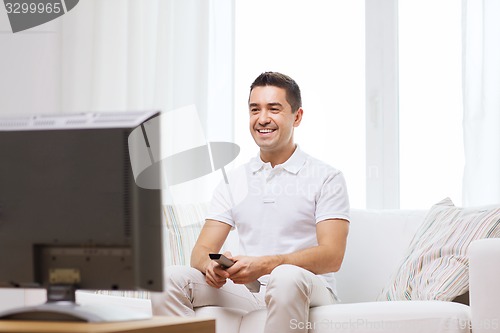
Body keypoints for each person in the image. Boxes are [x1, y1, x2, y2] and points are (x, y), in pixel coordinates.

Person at [152, 72, 350, 333]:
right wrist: (210, 265)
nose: (262, 118)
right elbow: (200, 251)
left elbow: (332, 256)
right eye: (254, 109)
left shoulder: (326, 177)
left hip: (311, 288)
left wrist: (266, 264)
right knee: (168, 280)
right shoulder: (234, 180)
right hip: (254, 292)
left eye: (274, 109)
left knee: (285, 275)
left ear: (297, 117)